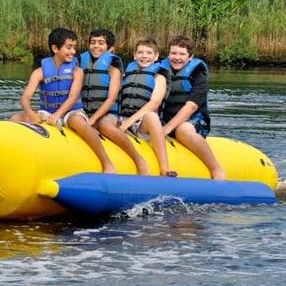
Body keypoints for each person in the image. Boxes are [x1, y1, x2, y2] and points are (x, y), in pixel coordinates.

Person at [10, 27, 116, 174]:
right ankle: (13, 158)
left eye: (74, 47)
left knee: (80, 123)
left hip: (71, 112)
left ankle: (107, 163)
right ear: (55, 48)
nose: (73, 52)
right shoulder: (39, 72)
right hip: (47, 112)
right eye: (69, 47)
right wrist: (29, 113)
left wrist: (58, 114)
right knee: (15, 118)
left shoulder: (77, 71)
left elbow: (73, 97)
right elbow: (25, 97)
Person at [79, 29, 150, 175]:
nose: (96, 46)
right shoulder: (82, 62)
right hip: (84, 111)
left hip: (108, 113)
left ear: (109, 47)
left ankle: (138, 159)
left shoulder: (113, 68)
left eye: (101, 43)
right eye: (93, 42)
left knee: (107, 127)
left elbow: (111, 99)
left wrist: (92, 120)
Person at [160, 35, 226, 180]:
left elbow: (191, 107)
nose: (177, 57)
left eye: (182, 54)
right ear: (168, 54)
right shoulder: (160, 70)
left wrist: (167, 129)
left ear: (190, 57)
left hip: (194, 122)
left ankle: (216, 168)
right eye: (173, 53)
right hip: (164, 119)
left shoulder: (198, 74)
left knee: (183, 129)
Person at [118, 37, 177, 177]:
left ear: (156, 56)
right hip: (120, 117)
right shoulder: (127, 74)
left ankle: (164, 167)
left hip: (141, 122)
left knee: (152, 116)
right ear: (134, 55)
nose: (144, 56)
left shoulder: (159, 77)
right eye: (140, 52)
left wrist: (128, 122)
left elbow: (154, 103)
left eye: (149, 53)